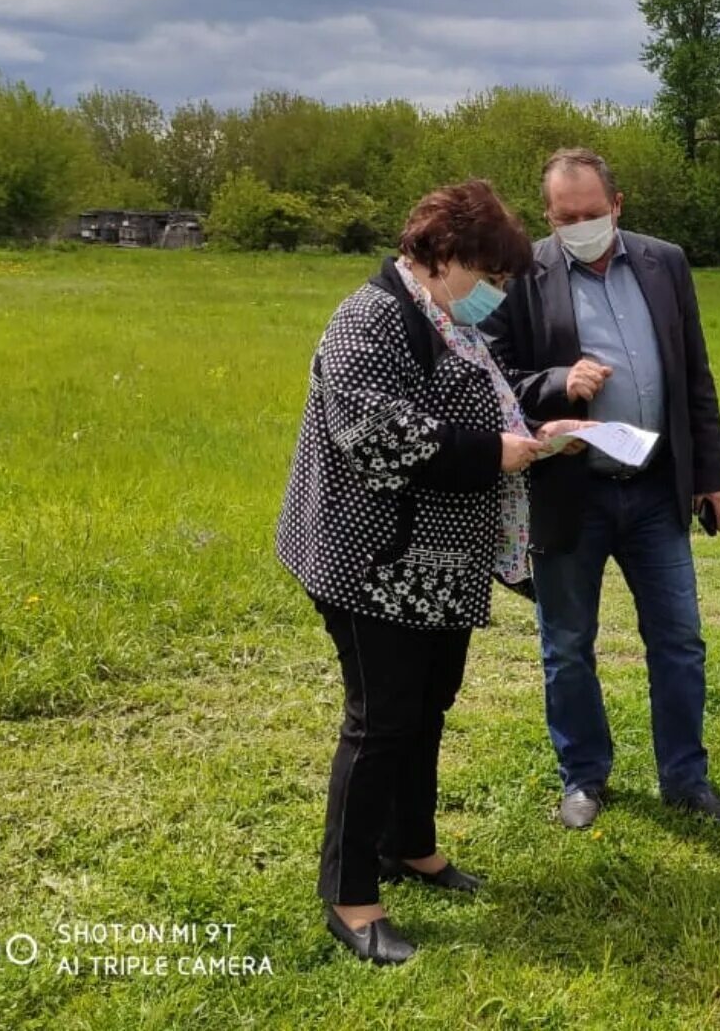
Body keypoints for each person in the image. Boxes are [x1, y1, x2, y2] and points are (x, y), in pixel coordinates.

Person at [277, 180, 591, 965]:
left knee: (426, 708)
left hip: (439, 567)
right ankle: (351, 899)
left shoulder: (445, 321)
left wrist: (536, 430)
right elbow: (374, 433)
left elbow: (480, 403)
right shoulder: (371, 316)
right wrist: (495, 452)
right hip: (372, 564)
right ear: (444, 256)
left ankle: (410, 847)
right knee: (380, 723)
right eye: (492, 277)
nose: (499, 294)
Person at [483, 147, 720, 830]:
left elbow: (694, 373)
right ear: (549, 216)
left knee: (679, 640)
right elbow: (491, 373)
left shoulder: (665, 263)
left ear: (617, 206)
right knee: (567, 645)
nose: (581, 225)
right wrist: (557, 384)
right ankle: (583, 778)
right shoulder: (524, 273)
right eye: (567, 216)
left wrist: (712, 473)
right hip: (571, 491)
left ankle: (686, 779)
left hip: (656, 490)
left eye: (592, 213)